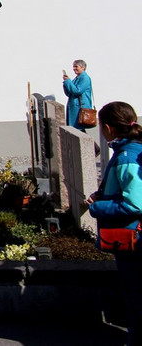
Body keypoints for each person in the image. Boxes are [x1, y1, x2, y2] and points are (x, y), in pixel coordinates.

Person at [87, 101, 142, 344]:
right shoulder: (128, 149)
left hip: (133, 238)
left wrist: (97, 207)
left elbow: (134, 204)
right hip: (131, 238)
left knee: (136, 296)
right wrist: (103, 195)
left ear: (108, 127)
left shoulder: (126, 156)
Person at [62, 59, 94, 131]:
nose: (74, 69)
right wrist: (66, 82)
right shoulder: (77, 78)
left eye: (76, 67)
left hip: (80, 108)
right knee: (75, 129)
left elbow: (77, 91)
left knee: (79, 130)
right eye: (73, 67)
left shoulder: (85, 78)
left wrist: (68, 81)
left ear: (83, 67)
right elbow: (69, 93)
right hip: (75, 107)